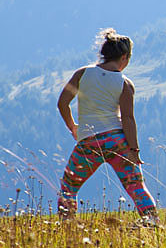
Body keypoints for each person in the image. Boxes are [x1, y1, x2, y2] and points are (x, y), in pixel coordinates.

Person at [55, 29, 159, 226]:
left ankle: (67, 226)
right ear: (124, 57)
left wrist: (73, 127)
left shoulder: (82, 73)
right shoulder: (124, 83)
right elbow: (128, 118)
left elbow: (62, 103)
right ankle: (152, 222)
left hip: (88, 141)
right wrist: (134, 150)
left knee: (69, 186)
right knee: (135, 186)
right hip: (117, 140)